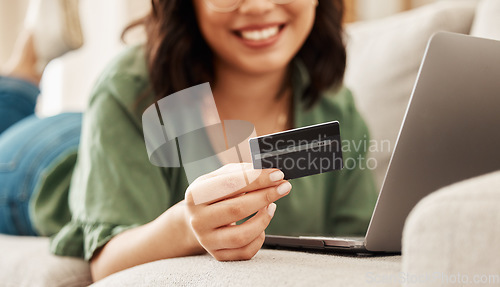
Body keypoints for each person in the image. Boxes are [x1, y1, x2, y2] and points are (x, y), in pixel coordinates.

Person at [0, 0, 377, 282]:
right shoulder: (130, 89)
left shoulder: (333, 105)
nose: (260, 5)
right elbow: (104, 263)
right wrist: (185, 226)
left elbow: (362, 235)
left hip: (107, 134)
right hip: (38, 166)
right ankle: (27, 66)